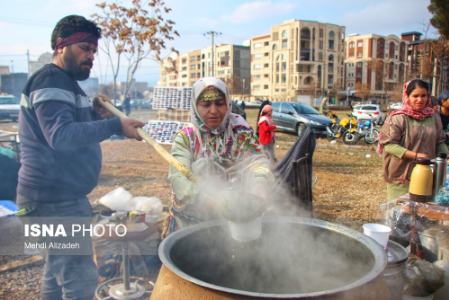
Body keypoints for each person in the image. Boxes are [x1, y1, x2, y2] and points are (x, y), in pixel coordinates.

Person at [16, 15, 144, 300]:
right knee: (80, 280)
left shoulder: (63, 83)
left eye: (94, 51)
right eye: (84, 48)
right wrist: (114, 126)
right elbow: (60, 137)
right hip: (52, 201)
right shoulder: (51, 79)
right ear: (62, 46)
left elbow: (64, 126)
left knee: (55, 273)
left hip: (53, 198)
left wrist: (92, 115)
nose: (91, 56)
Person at [167, 77, 273, 231]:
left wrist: (259, 184)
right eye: (206, 104)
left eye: (219, 103)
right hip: (194, 221)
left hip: (239, 214)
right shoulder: (186, 138)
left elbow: (257, 160)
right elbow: (178, 177)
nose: (214, 111)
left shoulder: (240, 130)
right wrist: (208, 199)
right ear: (195, 106)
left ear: (228, 103)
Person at [379, 79, 448, 202]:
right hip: (401, 176)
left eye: (423, 96)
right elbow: (389, 145)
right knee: (399, 216)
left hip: (427, 176)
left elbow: (440, 141)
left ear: (428, 97)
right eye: (415, 96)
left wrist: (446, 156)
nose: (420, 100)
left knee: (423, 216)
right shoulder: (398, 118)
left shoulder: (433, 117)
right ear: (407, 96)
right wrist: (416, 156)